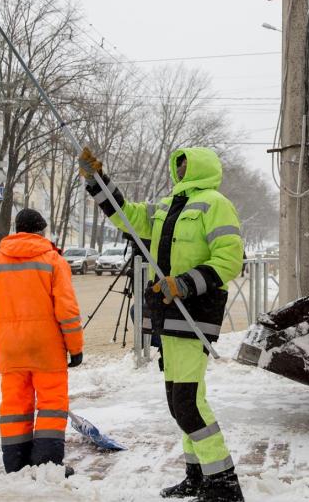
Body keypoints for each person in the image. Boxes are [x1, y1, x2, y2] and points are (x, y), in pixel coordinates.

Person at [81, 147, 245, 502]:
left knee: (187, 403)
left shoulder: (215, 203)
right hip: (167, 313)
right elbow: (128, 217)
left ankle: (224, 484)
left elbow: (230, 259)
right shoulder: (167, 205)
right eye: (178, 165)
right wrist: (98, 182)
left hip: (194, 312)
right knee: (180, 402)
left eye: (187, 165)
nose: (181, 170)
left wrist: (184, 283)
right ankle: (198, 475)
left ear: (201, 167)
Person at [0, 208, 84, 476]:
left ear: (17, 230)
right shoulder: (53, 261)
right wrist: (75, 348)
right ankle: (47, 463)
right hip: (47, 349)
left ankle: (15, 463)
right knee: (52, 403)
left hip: (10, 348)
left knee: (15, 405)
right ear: (41, 231)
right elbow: (67, 310)